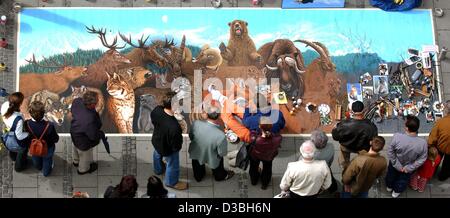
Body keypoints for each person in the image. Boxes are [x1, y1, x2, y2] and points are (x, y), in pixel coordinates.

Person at [189, 106, 234, 182]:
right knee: (218, 163)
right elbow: (222, 153)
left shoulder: (196, 123)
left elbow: (191, 136)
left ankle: (198, 177)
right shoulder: (220, 135)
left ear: (206, 114)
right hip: (212, 155)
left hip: (196, 151)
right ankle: (220, 176)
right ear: (219, 116)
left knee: (197, 164)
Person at [151, 91, 186, 190]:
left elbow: (154, 121)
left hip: (156, 141)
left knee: (157, 155)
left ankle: (158, 169)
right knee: (173, 165)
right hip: (168, 149)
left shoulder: (157, 110)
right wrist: (176, 149)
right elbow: (176, 145)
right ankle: (171, 182)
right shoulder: (174, 127)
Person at [386, 115, 427, 198]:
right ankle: (396, 192)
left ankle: (389, 187)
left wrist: (397, 165)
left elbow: (390, 151)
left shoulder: (397, 137)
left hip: (395, 164)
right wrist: (410, 167)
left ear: (407, 128)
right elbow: (422, 159)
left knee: (391, 175)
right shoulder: (423, 143)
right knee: (403, 180)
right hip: (408, 167)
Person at [332, 100, 378, 170]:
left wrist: (335, 128)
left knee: (344, 158)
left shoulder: (343, 125)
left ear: (352, 111)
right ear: (364, 111)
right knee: (363, 161)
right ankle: (361, 168)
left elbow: (335, 137)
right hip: (362, 149)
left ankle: (346, 167)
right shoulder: (371, 126)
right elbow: (374, 139)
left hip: (347, 146)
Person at [70, 91, 103, 175]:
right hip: (83, 141)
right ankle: (83, 170)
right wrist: (99, 136)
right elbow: (93, 136)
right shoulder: (89, 119)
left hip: (74, 132)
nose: (98, 102)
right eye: (97, 101)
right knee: (85, 156)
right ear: (92, 105)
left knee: (75, 148)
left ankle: (75, 161)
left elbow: (73, 111)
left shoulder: (76, 101)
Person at [25, 101, 59, 177]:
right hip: (48, 147)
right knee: (47, 160)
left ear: (30, 112)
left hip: (34, 146)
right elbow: (55, 139)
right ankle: (46, 172)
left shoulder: (27, 124)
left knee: (36, 158)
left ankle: (39, 167)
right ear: (43, 113)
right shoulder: (49, 125)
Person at [248, 116, 282, 190]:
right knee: (267, 169)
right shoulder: (278, 138)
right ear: (271, 126)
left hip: (255, 155)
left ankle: (254, 181)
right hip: (268, 156)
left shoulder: (255, 138)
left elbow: (251, 136)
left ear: (260, 126)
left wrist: (254, 131)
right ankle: (264, 184)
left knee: (253, 168)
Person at [1, 92, 29, 172]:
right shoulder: (18, 118)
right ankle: (19, 166)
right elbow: (19, 136)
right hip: (16, 139)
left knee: (11, 148)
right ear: (19, 104)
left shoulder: (4, 105)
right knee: (23, 149)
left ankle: (13, 157)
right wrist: (28, 134)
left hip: (8, 135)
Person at [428, 100, 450, 181]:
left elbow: (432, 139)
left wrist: (429, 146)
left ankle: (432, 172)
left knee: (436, 159)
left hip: (440, 147)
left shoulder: (440, 122)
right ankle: (443, 177)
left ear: (446, 110)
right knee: (448, 165)